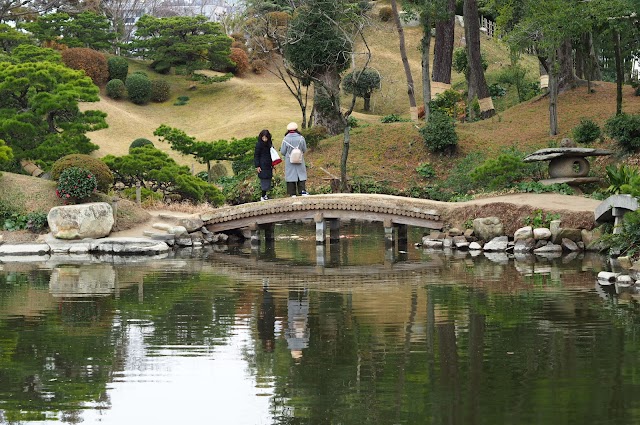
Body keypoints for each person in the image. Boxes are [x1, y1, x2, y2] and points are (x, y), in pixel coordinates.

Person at [280, 122, 308, 197]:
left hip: (289, 161)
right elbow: (304, 149)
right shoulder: (301, 138)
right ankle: (302, 191)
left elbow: (282, 152)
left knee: (290, 176)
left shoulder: (285, 139)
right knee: (301, 175)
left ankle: (292, 193)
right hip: (299, 159)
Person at [254, 129, 274, 201]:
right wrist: (257, 166)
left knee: (268, 179)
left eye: (266, 138)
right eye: (263, 138)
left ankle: (265, 195)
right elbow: (256, 155)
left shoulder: (270, 144)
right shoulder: (259, 144)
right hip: (262, 164)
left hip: (269, 164)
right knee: (263, 179)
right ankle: (263, 195)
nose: (264, 139)